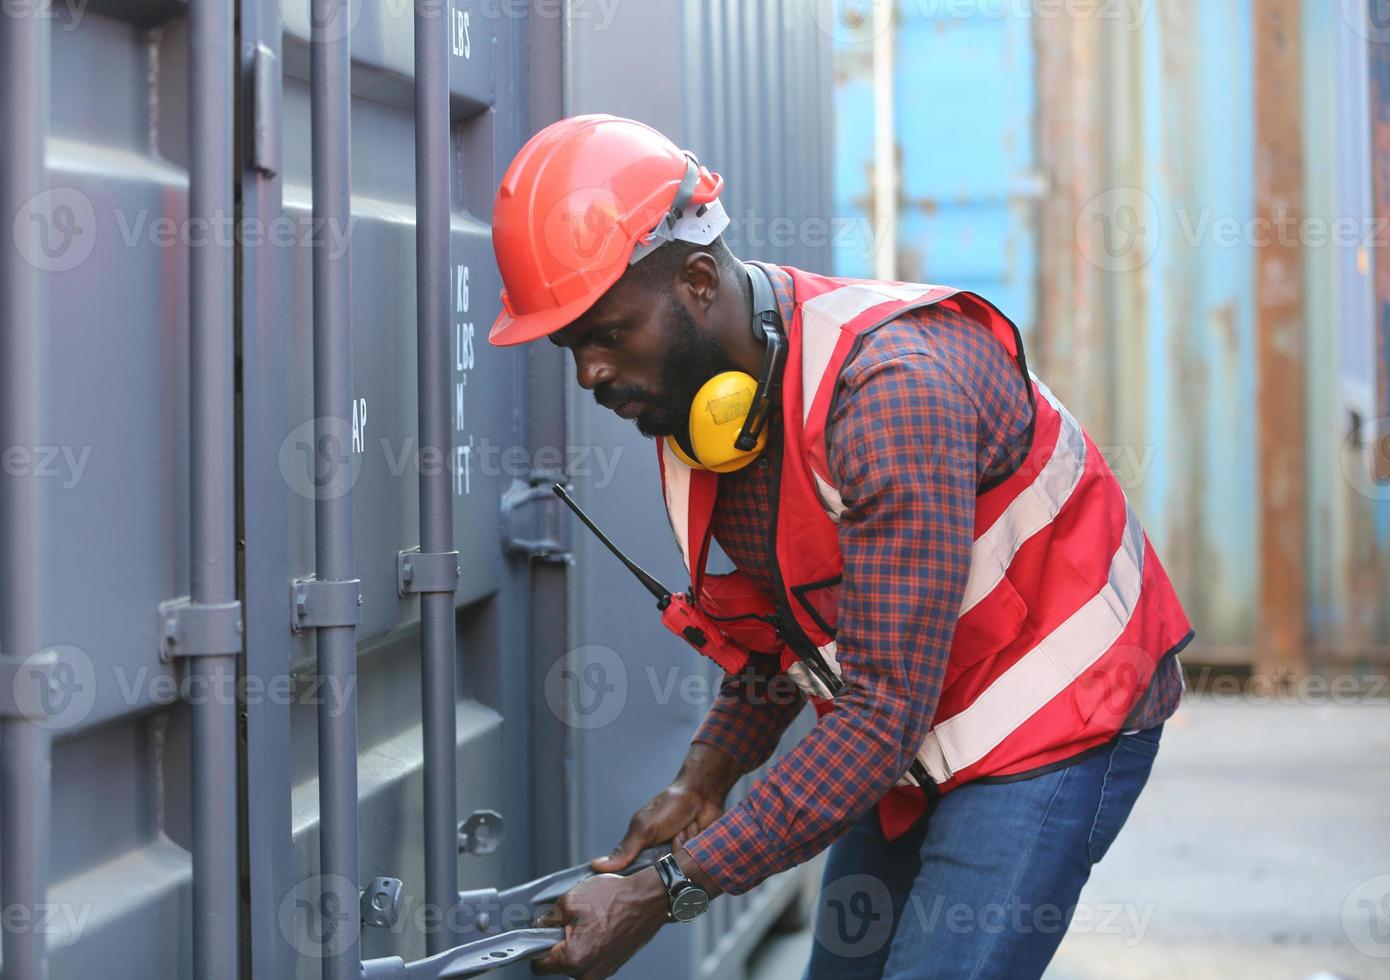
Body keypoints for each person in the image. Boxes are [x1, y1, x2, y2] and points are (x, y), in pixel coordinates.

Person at [487, 114, 1194, 980]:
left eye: (607, 333)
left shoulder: (889, 394)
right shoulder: (704, 415)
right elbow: (789, 635)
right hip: (912, 723)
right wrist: (705, 776)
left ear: (700, 281)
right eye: (571, 347)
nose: (590, 373)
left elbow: (880, 712)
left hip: (1054, 711)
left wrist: (663, 891)